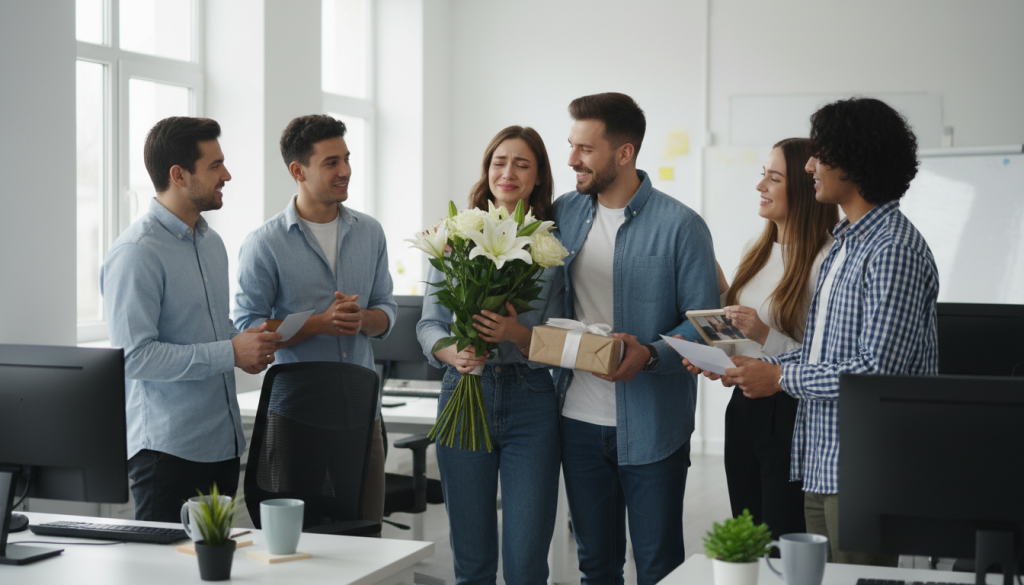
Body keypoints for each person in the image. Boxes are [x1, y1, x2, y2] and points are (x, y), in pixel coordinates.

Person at [710, 98, 939, 565]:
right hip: (820, 463)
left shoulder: (893, 249)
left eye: (822, 154)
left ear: (854, 162)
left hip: (863, 469)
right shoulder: (843, 248)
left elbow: (876, 372)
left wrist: (776, 378)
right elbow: (816, 355)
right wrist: (756, 366)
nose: (810, 165)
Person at [553, 93, 719, 584]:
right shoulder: (561, 215)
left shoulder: (681, 226)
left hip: (654, 424)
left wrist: (651, 355)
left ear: (624, 154)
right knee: (595, 566)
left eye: (585, 149)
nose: (571, 160)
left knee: (659, 567)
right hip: (577, 421)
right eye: (570, 146)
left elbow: (704, 324)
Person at [101, 116, 280, 522]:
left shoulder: (211, 242)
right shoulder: (136, 252)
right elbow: (135, 358)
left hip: (222, 445)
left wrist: (246, 344)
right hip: (168, 453)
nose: (227, 175)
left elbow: (214, 331)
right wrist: (228, 352)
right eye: (215, 166)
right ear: (178, 175)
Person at [234, 114, 396, 534]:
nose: (344, 171)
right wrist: (318, 325)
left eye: (346, 158)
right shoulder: (264, 243)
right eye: (330, 162)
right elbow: (248, 327)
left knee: (365, 535)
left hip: (361, 415)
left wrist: (364, 320)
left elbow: (386, 313)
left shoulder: (371, 233)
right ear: (298, 170)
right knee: (297, 541)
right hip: (296, 419)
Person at [416, 126, 564, 585]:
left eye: (522, 164)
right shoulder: (454, 236)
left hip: (532, 399)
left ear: (538, 176)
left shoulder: (550, 247)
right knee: (473, 562)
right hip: (464, 394)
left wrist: (519, 335)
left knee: (525, 563)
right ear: (487, 169)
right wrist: (451, 351)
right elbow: (428, 325)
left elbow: (560, 336)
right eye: (500, 161)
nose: (508, 172)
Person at [693, 138, 838, 540]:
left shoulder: (827, 261)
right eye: (763, 175)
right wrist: (712, 355)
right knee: (749, 533)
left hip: (793, 413)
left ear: (807, 188)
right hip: (744, 408)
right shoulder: (754, 250)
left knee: (782, 535)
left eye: (774, 178)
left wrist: (763, 334)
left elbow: (821, 356)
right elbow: (740, 329)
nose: (761, 187)